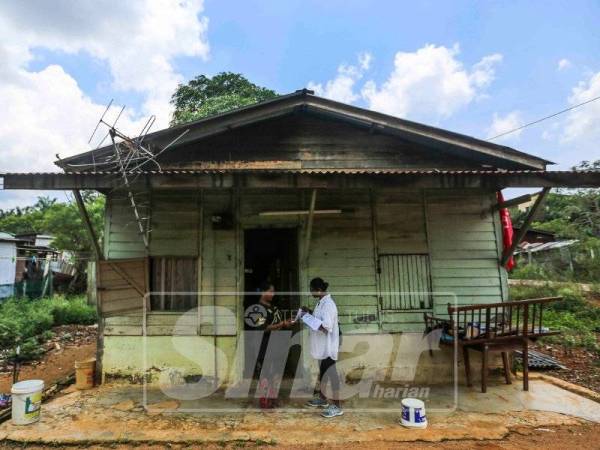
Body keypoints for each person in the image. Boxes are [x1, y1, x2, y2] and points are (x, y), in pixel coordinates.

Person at [304, 277, 343, 418]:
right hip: (322, 346)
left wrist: (308, 319)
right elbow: (319, 318)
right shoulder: (321, 302)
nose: (310, 292)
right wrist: (308, 312)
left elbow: (326, 327)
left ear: (318, 290)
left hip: (328, 346)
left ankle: (337, 406)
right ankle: (322, 397)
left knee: (331, 374)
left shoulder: (328, 305)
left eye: (311, 289)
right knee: (323, 371)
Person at [253, 281, 293, 409]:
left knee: (275, 373)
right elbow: (263, 328)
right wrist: (282, 324)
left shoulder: (274, 308)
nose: (273, 294)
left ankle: (272, 398)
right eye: (270, 291)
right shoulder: (258, 309)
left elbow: (278, 324)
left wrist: (286, 323)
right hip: (264, 346)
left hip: (277, 345)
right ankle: (264, 400)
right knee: (265, 373)